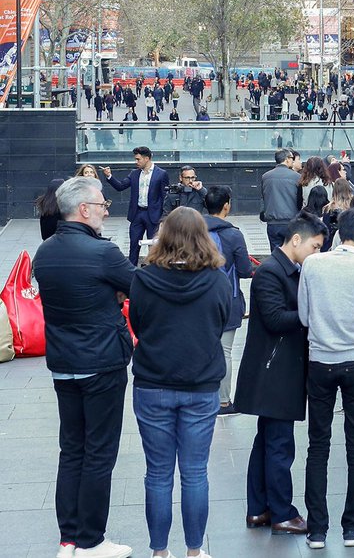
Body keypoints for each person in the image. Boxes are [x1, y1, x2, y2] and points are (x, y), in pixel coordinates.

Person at [33, 177, 138, 558]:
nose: (107, 210)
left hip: (64, 363)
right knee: (99, 452)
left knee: (72, 450)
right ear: (83, 209)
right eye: (102, 204)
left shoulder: (44, 252)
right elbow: (138, 287)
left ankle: (69, 539)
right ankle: (92, 540)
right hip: (101, 363)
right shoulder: (102, 253)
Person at [128, 207, 230, 558]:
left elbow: (138, 324)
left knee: (157, 474)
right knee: (195, 472)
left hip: (152, 382)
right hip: (201, 385)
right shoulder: (217, 279)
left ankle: (159, 552)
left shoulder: (143, 278)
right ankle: (194, 550)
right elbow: (220, 322)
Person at [297, 208, 354, 549]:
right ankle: (352, 527)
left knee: (317, 445)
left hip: (320, 360)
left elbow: (305, 317)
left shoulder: (313, 265)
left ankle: (316, 530)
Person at [237, 213, 326, 536]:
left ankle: (258, 509)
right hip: (274, 371)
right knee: (278, 444)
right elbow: (275, 319)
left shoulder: (289, 269)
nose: (316, 253)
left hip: (276, 368)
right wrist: (312, 314)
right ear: (297, 240)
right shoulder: (271, 272)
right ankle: (282, 513)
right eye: (315, 247)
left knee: (267, 441)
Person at [201, 185, 255, 415]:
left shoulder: (194, 232)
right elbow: (244, 270)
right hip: (227, 300)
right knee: (225, 351)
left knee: (202, 348)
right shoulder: (234, 234)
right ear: (226, 205)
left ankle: (202, 396)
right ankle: (223, 401)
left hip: (198, 299)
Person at [103, 146, 170, 266]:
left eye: (138, 159)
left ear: (147, 158)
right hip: (137, 214)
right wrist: (109, 176)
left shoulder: (161, 174)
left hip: (153, 215)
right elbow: (121, 186)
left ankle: (153, 271)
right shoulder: (134, 174)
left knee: (154, 245)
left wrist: (163, 217)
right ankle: (131, 271)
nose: (136, 162)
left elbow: (165, 196)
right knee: (134, 245)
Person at [262, 149, 302, 250]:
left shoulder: (266, 177)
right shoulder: (296, 177)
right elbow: (300, 200)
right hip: (291, 220)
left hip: (272, 221)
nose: (293, 161)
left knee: (276, 254)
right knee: (292, 253)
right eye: (292, 158)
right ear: (287, 159)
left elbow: (264, 196)